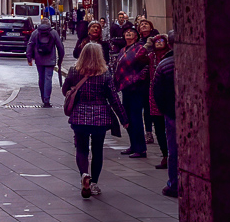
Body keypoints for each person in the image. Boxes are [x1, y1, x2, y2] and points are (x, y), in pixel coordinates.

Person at [61, 41, 127, 198]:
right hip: (100, 117)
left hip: (79, 116)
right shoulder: (105, 74)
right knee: (97, 150)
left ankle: (84, 174)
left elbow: (65, 90)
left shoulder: (74, 71)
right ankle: (94, 182)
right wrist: (123, 118)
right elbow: (114, 99)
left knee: (81, 149)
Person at [114, 26, 152, 157]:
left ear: (136, 37)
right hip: (126, 87)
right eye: (126, 32)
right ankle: (133, 145)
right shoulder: (123, 50)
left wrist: (138, 78)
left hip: (136, 88)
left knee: (136, 118)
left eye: (131, 33)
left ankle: (141, 148)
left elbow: (146, 66)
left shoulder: (140, 49)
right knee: (127, 117)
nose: (128, 34)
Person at [153, 41, 178, 197]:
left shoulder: (164, 64)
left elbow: (157, 91)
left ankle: (174, 183)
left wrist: (164, 110)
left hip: (171, 112)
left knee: (174, 150)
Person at [26, 18, 65, 106]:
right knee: (48, 79)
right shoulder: (53, 32)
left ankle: (43, 98)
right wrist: (60, 58)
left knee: (41, 78)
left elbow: (30, 44)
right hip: (50, 60)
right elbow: (60, 46)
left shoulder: (35, 32)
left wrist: (29, 57)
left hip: (39, 59)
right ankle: (47, 100)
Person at [147, 34, 172, 167]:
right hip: (154, 95)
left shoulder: (169, 56)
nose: (159, 43)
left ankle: (171, 154)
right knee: (159, 128)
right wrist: (148, 44)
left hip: (167, 94)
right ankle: (165, 154)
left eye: (162, 41)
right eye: (156, 41)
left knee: (169, 126)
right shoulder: (151, 57)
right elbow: (140, 57)